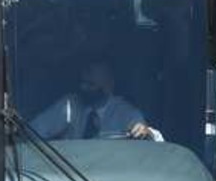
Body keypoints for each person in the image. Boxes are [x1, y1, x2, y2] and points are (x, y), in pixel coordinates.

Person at [31, 60, 160, 142]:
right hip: (67, 173)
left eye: (90, 85)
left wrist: (147, 133)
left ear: (109, 84)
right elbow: (32, 132)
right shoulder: (70, 104)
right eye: (82, 83)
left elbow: (153, 142)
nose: (83, 88)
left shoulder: (126, 113)